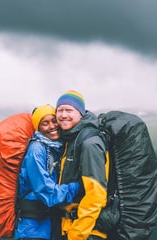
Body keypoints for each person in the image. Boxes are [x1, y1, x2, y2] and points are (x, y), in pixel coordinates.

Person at [16, 104, 80, 240]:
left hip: (48, 225)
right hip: (33, 230)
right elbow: (46, 191)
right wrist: (78, 187)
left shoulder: (55, 148)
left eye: (54, 120)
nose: (52, 126)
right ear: (37, 127)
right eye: (45, 123)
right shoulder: (36, 150)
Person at [53, 90, 109, 240]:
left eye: (69, 110)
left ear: (81, 113)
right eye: (60, 110)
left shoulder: (89, 144)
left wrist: (77, 235)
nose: (63, 115)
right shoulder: (71, 139)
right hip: (72, 227)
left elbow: (96, 194)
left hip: (87, 232)